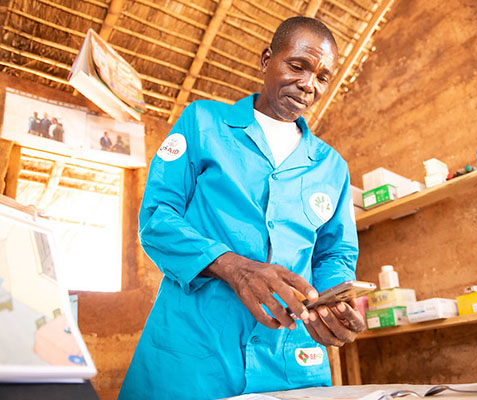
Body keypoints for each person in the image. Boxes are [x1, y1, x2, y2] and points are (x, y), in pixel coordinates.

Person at [119, 16, 363, 400]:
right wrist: (236, 268)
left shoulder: (331, 166)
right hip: (194, 353)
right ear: (267, 60)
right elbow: (157, 218)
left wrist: (332, 301)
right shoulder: (203, 123)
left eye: (321, 77)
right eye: (297, 66)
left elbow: (335, 252)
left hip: (288, 355)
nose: (308, 84)